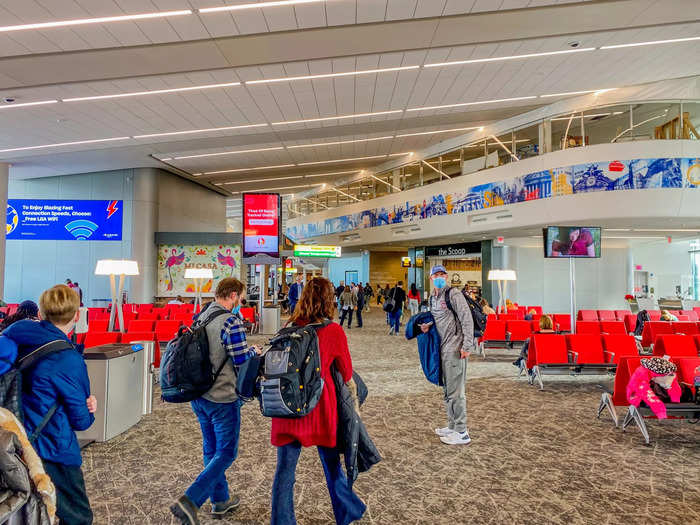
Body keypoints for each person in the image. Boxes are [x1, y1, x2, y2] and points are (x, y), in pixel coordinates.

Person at [270, 277, 365, 525]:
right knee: (332, 466)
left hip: (288, 406)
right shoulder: (333, 331)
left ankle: (282, 521)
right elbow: (346, 372)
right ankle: (346, 513)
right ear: (328, 300)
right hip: (320, 407)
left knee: (285, 472)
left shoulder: (288, 327)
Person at [0, 284, 96, 524]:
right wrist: (90, 406)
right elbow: (81, 420)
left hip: (10, 440)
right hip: (51, 448)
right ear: (77, 315)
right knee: (77, 517)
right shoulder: (68, 358)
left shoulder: (13, 332)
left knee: (20, 508)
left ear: (41, 314)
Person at [170, 278, 261, 525]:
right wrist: (254, 353)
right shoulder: (231, 322)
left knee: (211, 449)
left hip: (199, 395)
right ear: (232, 295)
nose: (241, 303)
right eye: (240, 298)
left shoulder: (201, 316)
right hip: (223, 398)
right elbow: (241, 363)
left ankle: (221, 500)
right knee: (227, 452)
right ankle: (190, 501)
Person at [424, 266, 475, 446]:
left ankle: (461, 431)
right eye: (436, 275)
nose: (439, 277)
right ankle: (452, 425)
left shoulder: (453, 294)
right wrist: (428, 325)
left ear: (446, 277)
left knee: (456, 392)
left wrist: (467, 345)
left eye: (442, 275)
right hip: (442, 350)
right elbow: (440, 319)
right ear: (431, 278)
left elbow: (466, 319)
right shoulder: (433, 298)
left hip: (455, 349)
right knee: (447, 389)